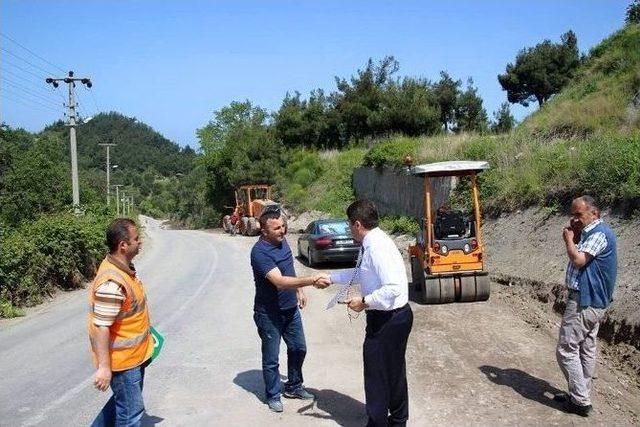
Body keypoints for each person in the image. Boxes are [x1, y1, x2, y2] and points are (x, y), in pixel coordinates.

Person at [329, 199, 413, 427]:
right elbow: (361, 274)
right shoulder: (371, 243)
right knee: (393, 370)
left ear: (357, 224)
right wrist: (330, 279)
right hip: (391, 317)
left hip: (389, 319)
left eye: (349, 225)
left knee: (377, 374)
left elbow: (394, 287)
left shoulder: (376, 247)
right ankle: (397, 420)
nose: (348, 229)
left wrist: (364, 301)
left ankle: (380, 422)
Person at [250, 206, 330, 413]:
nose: (282, 231)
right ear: (264, 231)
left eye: (283, 226)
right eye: (276, 228)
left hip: (290, 309)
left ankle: (293, 386)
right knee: (271, 358)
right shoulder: (260, 253)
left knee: (298, 348)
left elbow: (289, 269)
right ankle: (273, 394)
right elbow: (279, 281)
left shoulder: (282, 242)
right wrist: (312, 280)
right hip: (269, 313)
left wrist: (300, 291)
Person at [555, 196, 617, 417]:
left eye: (579, 214)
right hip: (591, 300)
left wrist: (569, 239)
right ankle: (579, 393)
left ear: (595, 213)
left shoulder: (599, 234)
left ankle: (580, 400)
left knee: (566, 349)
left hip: (585, 300)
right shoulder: (591, 233)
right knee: (586, 348)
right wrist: (577, 235)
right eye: (573, 214)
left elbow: (579, 260)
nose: (575, 219)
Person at [88, 218, 154, 426]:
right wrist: (104, 368)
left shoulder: (122, 269)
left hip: (133, 357)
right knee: (130, 415)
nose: (140, 242)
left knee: (119, 406)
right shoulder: (112, 282)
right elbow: (101, 326)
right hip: (123, 363)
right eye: (136, 239)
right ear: (123, 245)